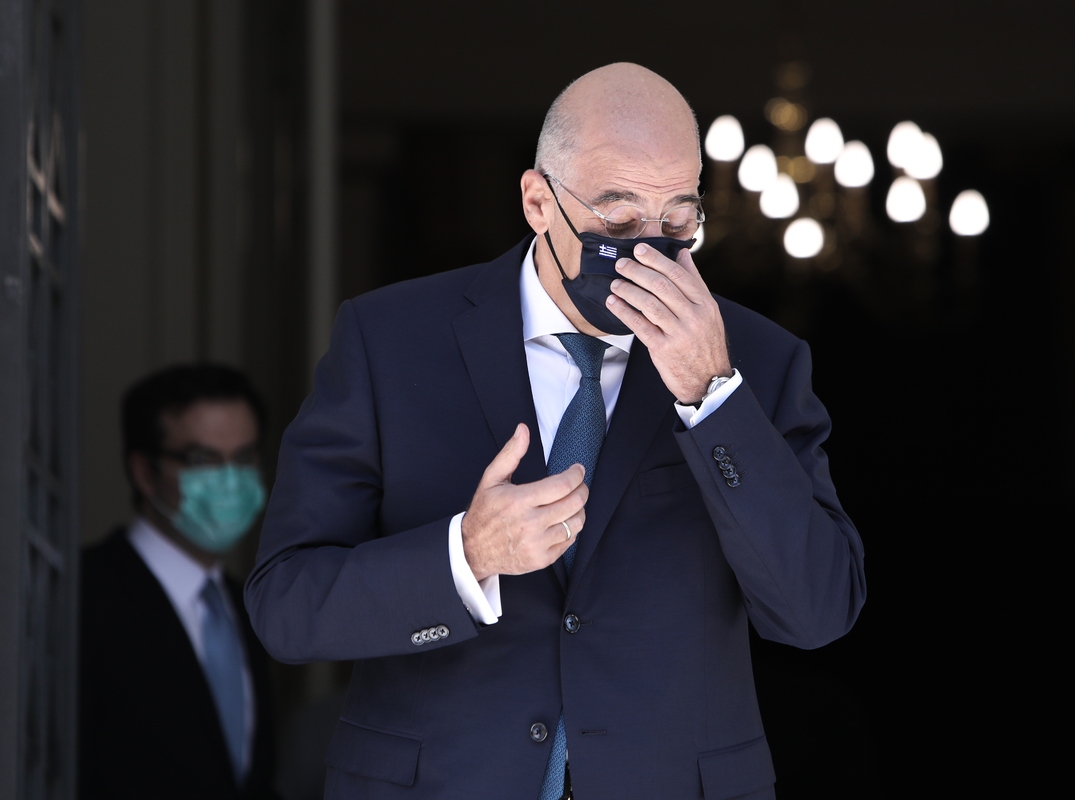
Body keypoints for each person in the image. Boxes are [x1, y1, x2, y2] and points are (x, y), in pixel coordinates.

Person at [246, 62, 866, 799]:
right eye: (618, 219)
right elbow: (287, 607)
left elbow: (817, 611)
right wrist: (466, 556)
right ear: (539, 202)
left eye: (677, 220)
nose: (649, 250)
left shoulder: (757, 360)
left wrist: (713, 397)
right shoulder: (389, 340)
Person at [79, 364, 278, 800]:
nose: (230, 480)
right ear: (144, 472)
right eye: (203, 460)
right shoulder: (82, 597)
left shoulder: (248, 606)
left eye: (245, 458)